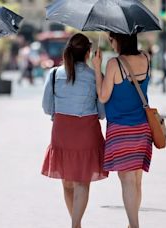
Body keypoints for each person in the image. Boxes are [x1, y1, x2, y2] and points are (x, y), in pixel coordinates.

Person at [41, 33, 108, 228]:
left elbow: (47, 108)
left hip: (62, 130)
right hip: (87, 129)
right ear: (89, 53)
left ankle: (75, 224)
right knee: (82, 181)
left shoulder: (54, 74)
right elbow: (102, 112)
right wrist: (98, 70)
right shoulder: (95, 76)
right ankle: (75, 224)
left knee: (67, 182)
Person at [93, 32, 153, 228]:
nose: (111, 43)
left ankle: (134, 225)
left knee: (127, 180)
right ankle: (132, 224)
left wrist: (96, 69)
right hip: (143, 128)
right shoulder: (146, 57)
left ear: (118, 40)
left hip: (120, 129)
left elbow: (103, 97)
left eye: (111, 39)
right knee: (136, 179)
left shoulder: (113, 64)